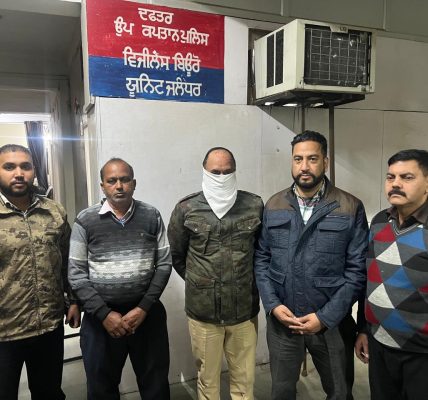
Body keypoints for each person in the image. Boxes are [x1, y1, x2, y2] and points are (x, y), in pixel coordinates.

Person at [254, 131, 369, 400]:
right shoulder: (274, 205)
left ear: (325, 162)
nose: (304, 166)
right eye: (298, 159)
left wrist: (325, 317)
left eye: (312, 159)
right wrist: (273, 305)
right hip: (284, 322)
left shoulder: (349, 206)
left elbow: (357, 272)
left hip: (331, 324)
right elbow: (262, 260)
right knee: (281, 392)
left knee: (340, 392)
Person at [68, 158, 172, 400]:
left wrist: (143, 308)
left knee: (155, 386)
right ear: (102, 186)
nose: (119, 186)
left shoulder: (151, 215)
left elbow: (164, 264)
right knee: (101, 388)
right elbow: (76, 272)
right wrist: (104, 314)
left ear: (134, 183)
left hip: (146, 315)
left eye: (124, 180)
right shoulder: (86, 220)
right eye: (112, 181)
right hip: (100, 320)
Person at [167, 147, 263, 400]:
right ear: (205, 171)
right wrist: (201, 283)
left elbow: (262, 253)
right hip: (204, 313)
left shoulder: (253, 205)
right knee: (207, 381)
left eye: (227, 171)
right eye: (216, 172)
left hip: (244, 311)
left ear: (235, 171)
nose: (222, 177)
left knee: (244, 380)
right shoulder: (187, 208)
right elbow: (177, 255)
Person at [0, 144, 80, 400]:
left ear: (34, 170)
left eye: (25, 166)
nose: (19, 173)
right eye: (9, 167)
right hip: (4, 331)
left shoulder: (53, 211)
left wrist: (74, 300)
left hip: (48, 326)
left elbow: (68, 260)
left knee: (49, 394)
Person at [355, 149, 428, 400]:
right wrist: (364, 329)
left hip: (421, 353)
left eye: (407, 177)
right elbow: (370, 281)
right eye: (390, 177)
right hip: (379, 344)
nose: (395, 183)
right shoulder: (379, 221)